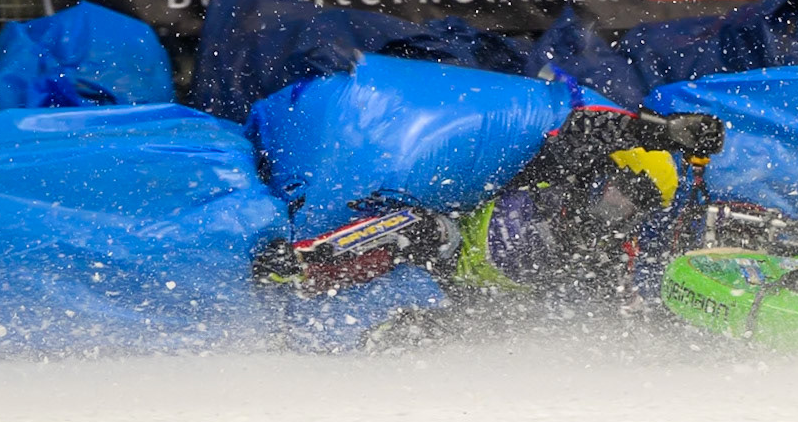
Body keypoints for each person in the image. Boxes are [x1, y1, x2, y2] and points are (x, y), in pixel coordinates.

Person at [258, 105, 724, 302]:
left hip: (488, 300)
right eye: (617, 195)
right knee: (418, 228)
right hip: (459, 244)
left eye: (631, 211)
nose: (616, 214)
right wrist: (665, 132)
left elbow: (616, 314)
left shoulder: (610, 249)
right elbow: (589, 126)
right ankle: (306, 264)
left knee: (486, 335)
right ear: (601, 172)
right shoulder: (560, 171)